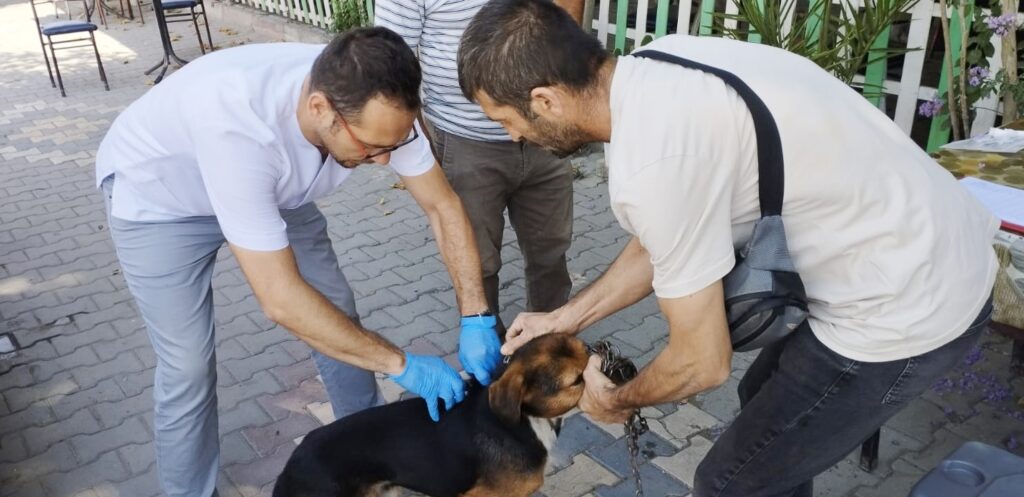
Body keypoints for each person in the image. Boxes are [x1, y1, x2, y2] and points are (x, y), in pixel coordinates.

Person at [456, 1, 999, 496]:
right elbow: (663, 238)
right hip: (924, 243)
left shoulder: (654, 164)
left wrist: (614, 401)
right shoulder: (656, 68)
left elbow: (702, 362)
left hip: (907, 305)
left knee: (728, 483)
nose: (513, 138)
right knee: (761, 399)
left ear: (545, 101)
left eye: (506, 121)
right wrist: (564, 318)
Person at [95, 28, 502, 497]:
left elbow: (443, 207)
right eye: (371, 148)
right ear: (319, 109)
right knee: (187, 366)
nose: (383, 160)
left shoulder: (376, 100)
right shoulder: (238, 128)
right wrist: (400, 364)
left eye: (394, 144)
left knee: (337, 311)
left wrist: (476, 315)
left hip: (275, 192)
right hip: (161, 202)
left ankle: (365, 458)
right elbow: (281, 299)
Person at [374, 0, 585, 334]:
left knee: (551, 252)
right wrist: (423, 149)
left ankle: (550, 341)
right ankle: (487, 343)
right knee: (477, 260)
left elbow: (565, 12)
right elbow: (390, 66)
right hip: (465, 142)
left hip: (544, 134)